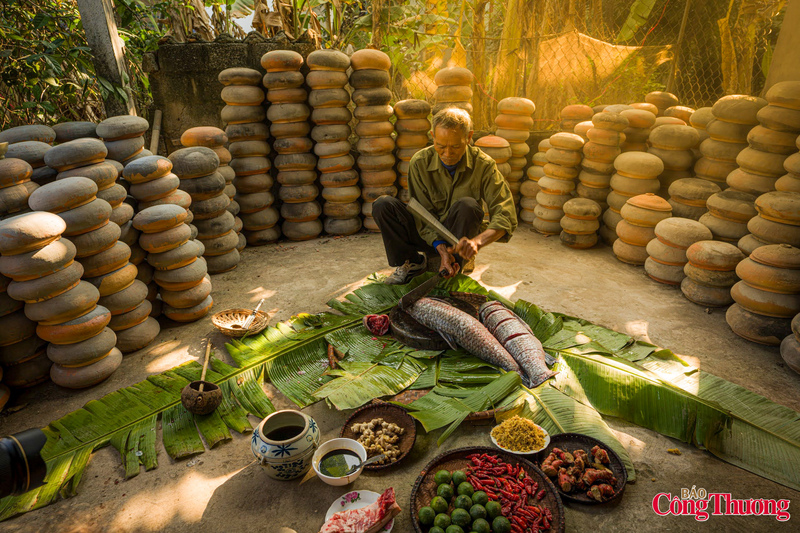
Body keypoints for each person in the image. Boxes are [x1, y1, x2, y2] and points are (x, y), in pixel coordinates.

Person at [373, 107, 518, 285]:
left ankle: (456, 265)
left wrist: (476, 243)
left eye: (456, 146)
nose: (447, 154)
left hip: (459, 239)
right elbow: (422, 215)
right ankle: (413, 262)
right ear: (433, 136)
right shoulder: (419, 162)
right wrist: (441, 250)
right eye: (441, 146)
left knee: (468, 205)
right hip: (426, 235)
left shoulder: (484, 165)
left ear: (469, 137)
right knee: (383, 205)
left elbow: (506, 214)